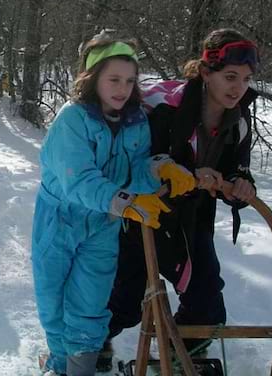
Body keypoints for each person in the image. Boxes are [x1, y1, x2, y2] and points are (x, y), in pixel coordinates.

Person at [33, 35, 195, 376]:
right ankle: (59, 363)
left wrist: (158, 169)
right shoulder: (72, 119)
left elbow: (131, 170)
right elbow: (78, 180)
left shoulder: (135, 120)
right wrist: (127, 203)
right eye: (114, 79)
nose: (123, 88)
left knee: (91, 303)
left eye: (130, 80)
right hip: (59, 221)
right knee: (54, 301)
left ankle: (79, 370)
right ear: (92, 78)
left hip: (103, 225)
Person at [103, 28, 259, 369]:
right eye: (230, 77)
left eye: (245, 79)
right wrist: (182, 171)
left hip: (191, 221)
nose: (238, 88)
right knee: (123, 304)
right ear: (206, 73)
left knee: (207, 304)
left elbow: (237, 169)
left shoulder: (239, 120)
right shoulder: (164, 106)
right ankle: (83, 350)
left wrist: (240, 185)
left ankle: (180, 358)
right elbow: (134, 160)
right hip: (145, 214)